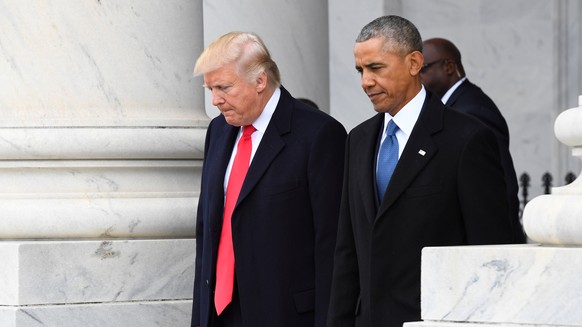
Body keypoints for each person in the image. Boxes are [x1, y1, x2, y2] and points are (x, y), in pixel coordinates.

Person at [326, 15, 519, 327]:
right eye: (360, 70)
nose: (365, 81)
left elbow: (491, 253)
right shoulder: (358, 140)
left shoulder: (466, 139)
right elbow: (347, 252)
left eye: (376, 68)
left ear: (414, 63)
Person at [191, 31, 347, 327]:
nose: (215, 100)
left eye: (224, 87)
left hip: (285, 315)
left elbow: (332, 244)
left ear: (260, 80)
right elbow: (207, 233)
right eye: (209, 89)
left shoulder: (319, 134)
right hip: (219, 313)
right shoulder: (218, 131)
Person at [420, 37, 525, 242]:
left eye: (422, 68)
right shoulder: (452, 106)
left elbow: (502, 186)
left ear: (448, 66)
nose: (416, 77)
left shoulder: (472, 110)